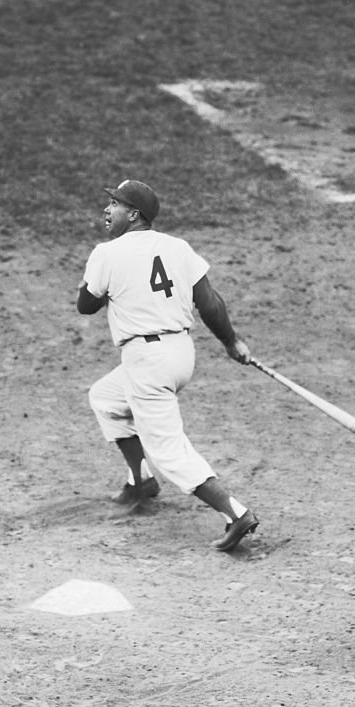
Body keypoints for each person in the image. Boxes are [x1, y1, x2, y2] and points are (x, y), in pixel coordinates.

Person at [77, 179, 258, 552]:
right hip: (179, 355)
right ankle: (140, 480)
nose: (106, 210)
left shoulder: (106, 254)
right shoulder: (178, 248)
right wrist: (231, 342)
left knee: (168, 450)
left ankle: (235, 513)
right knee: (107, 398)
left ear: (134, 214)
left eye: (114, 204)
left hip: (147, 361)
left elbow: (86, 305)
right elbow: (209, 302)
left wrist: (104, 283)